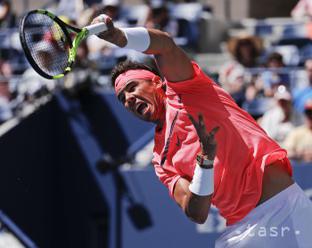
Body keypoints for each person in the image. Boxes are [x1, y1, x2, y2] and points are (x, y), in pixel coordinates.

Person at [91, 14, 312, 247]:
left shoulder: (187, 89)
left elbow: (164, 45)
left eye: (132, 87)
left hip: (285, 207)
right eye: (122, 99)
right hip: (243, 231)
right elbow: (196, 212)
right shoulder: (160, 160)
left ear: (158, 82)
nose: (128, 98)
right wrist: (205, 161)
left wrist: (119, 36)